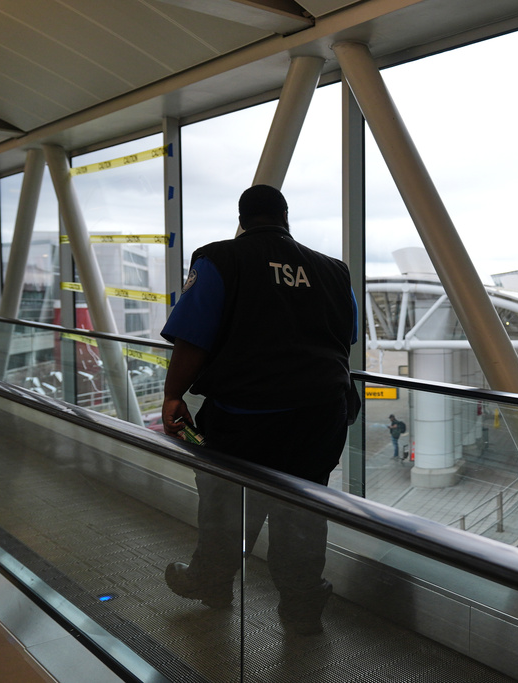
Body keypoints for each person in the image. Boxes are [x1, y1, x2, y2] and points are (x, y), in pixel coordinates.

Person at [160, 184, 358, 635]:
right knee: (304, 508)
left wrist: (174, 396)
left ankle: (211, 582)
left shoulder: (219, 259)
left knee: (226, 500)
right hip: (320, 415)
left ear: (243, 220)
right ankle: (302, 608)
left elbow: (193, 335)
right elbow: (344, 338)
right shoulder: (335, 271)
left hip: (246, 415)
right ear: (285, 217)